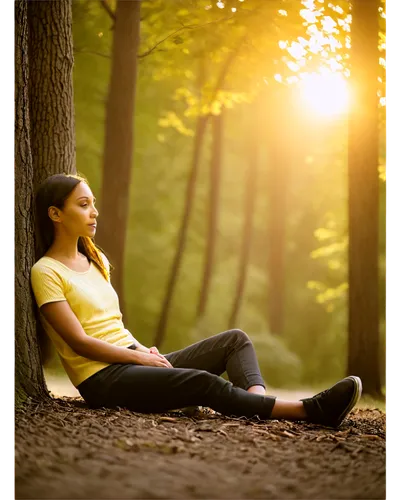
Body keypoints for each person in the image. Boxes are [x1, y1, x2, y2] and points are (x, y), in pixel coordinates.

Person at [30, 173, 362, 428]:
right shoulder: (45, 271)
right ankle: (310, 411)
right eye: (83, 204)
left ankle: (255, 407)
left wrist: (143, 351)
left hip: (132, 360)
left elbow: (110, 325)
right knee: (203, 382)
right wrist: (140, 361)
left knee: (235, 341)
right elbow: (79, 341)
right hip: (102, 379)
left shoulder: (96, 260)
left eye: (93, 202)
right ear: (56, 214)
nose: (94, 211)